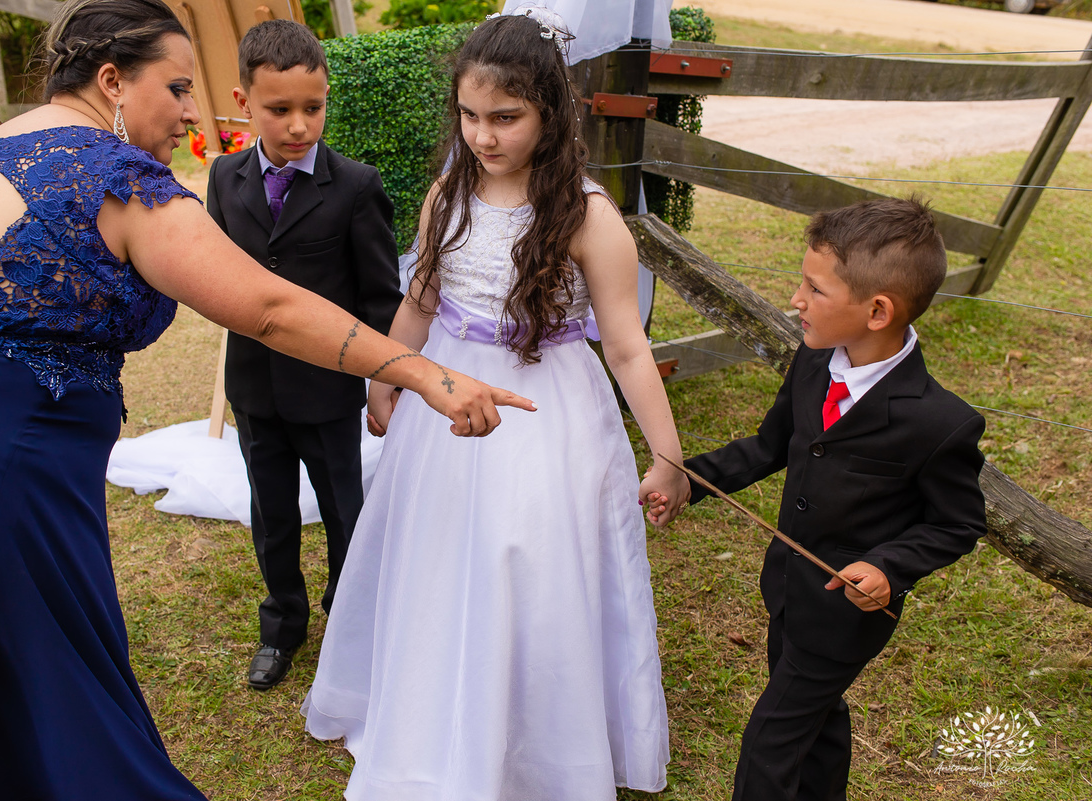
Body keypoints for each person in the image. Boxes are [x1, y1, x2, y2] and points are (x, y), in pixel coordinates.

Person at [0, 0, 533, 797]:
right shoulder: (110, 176)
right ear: (112, 81)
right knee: (51, 707)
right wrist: (425, 372)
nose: (193, 111)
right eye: (176, 87)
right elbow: (268, 307)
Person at [301, 10, 692, 800]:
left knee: (527, 555)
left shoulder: (588, 217)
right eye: (470, 116)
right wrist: (389, 375)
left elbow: (626, 347)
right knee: (441, 543)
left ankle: (530, 731)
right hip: (446, 395)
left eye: (505, 118)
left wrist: (668, 454)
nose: (483, 135)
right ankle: (436, 702)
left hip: (546, 406)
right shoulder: (447, 194)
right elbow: (421, 297)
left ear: (551, 111)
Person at [673, 197, 987, 800]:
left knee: (772, 740)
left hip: (845, 617)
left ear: (877, 311)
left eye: (814, 289)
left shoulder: (939, 422)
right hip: (787, 590)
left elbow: (957, 524)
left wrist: (888, 567)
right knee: (816, 721)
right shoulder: (814, 362)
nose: (796, 299)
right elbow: (770, 446)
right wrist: (690, 480)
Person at [205, 20, 402, 691]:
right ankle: (282, 625)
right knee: (272, 515)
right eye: (279, 109)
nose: (298, 125)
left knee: (344, 509)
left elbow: (380, 296)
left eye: (312, 108)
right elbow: (217, 274)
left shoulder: (355, 186)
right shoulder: (223, 177)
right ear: (244, 102)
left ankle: (350, 622)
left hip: (327, 388)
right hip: (254, 387)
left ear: (326, 98)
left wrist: (381, 380)